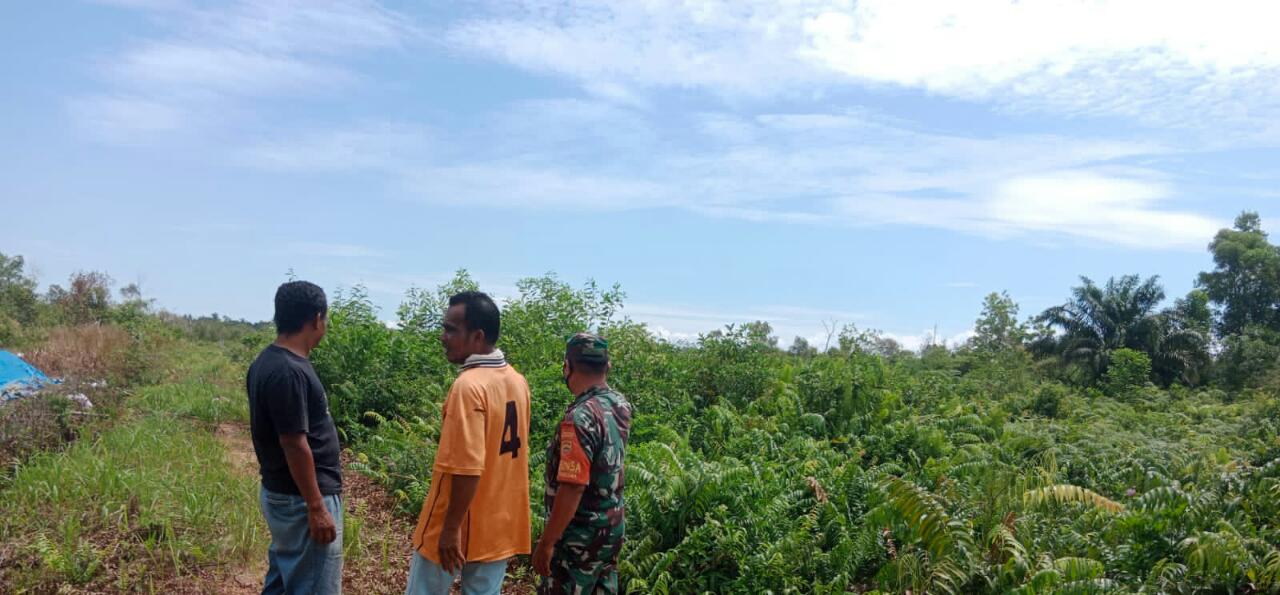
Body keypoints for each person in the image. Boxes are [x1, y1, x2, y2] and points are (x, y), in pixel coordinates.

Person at [407, 291, 532, 595]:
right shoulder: (517, 381)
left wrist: (451, 529)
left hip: (456, 521)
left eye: (451, 330)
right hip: (499, 524)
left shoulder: (468, 387)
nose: (443, 337)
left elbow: (467, 467)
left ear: (477, 337)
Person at [246, 280, 344, 595]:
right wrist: (316, 507)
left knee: (283, 577)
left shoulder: (267, 361)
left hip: (284, 494)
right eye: (325, 319)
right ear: (316, 319)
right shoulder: (288, 371)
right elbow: (293, 442)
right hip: (300, 500)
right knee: (313, 585)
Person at [534, 333, 633, 594]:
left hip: (578, 539)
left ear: (567, 366)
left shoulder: (579, 418)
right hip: (611, 529)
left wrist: (547, 542)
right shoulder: (620, 404)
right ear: (607, 366)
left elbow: (573, 486)